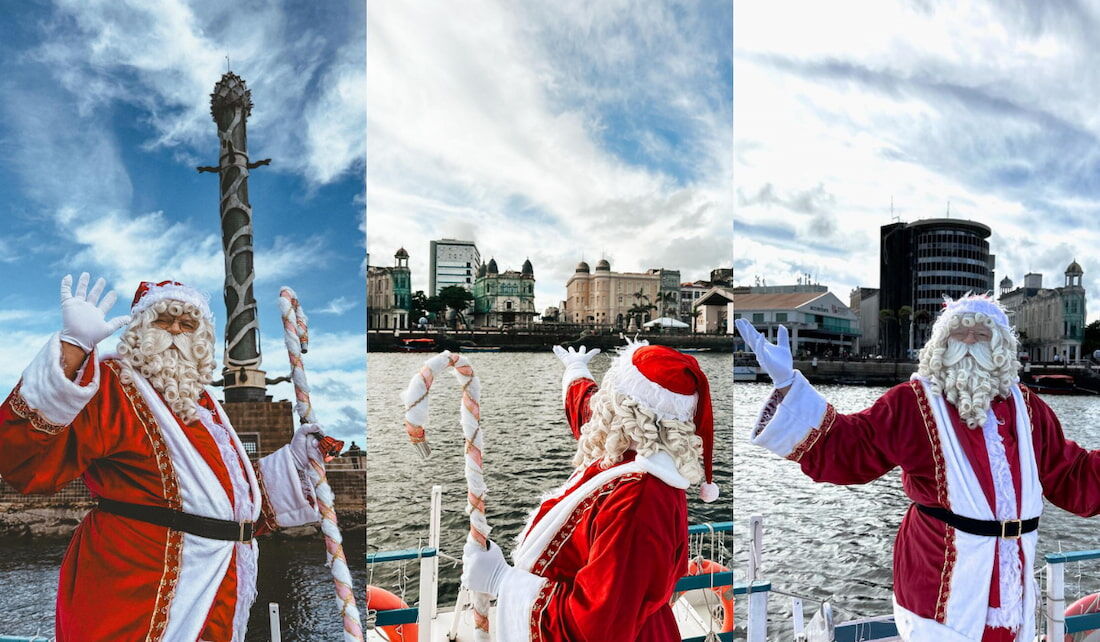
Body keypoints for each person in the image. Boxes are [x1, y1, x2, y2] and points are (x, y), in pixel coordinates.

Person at [736, 294, 1100, 641]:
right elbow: (852, 446)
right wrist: (788, 386)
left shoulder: (1029, 409)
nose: (970, 340)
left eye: (982, 333)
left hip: (1015, 573)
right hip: (939, 573)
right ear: (942, 343)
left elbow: (1071, 473)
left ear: (1001, 346)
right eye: (960, 332)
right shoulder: (913, 403)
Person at [0, 274, 323, 641]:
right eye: (163, 320)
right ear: (139, 327)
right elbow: (23, 460)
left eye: (187, 324)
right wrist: (73, 348)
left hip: (217, 580)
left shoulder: (204, 405)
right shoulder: (112, 384)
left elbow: (227, 502)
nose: (175, 331)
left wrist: (297, 461)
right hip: (137, 583)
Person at [461, 340, 719, 641]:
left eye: (608, 393)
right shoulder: (630, 446)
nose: (598, 402)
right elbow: (587, 410)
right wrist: (576, 370)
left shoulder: (639, 500)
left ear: (622, 407)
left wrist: (502, 581)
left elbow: (598, 626)